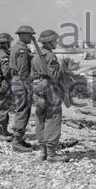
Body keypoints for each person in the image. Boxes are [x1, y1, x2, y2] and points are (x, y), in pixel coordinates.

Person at [31, 30, 69, 163]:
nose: (56, 42)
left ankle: (43, 152)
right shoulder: (50, 56)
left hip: (38, 88)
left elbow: (32, 75)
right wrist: (63, 70)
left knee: (40, 119)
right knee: (52, 118)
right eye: (55, 40)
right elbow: (55, 76)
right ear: (48, 41)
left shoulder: (36, 55)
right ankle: (51, 154)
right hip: (50, 89)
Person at [9, 25, 35, 152]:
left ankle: (19, 138)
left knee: (22, 109)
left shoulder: (19, 47)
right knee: (23, 110)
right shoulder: (21, 50)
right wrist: (28, 84)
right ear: (23, 35)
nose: (32, 37)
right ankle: (17, 141)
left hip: (17, 81)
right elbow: (23, 70)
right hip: (21, 82)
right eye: (30, 35)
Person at [0, 33, 14, 142]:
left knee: (5, 107)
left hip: (3, 83)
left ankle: (4, 130)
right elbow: (6, 72)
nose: (10, 43)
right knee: (3, 108)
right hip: (3, 84)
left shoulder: (4, 53)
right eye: (9, 41)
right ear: (6, 42)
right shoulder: (3, 55)